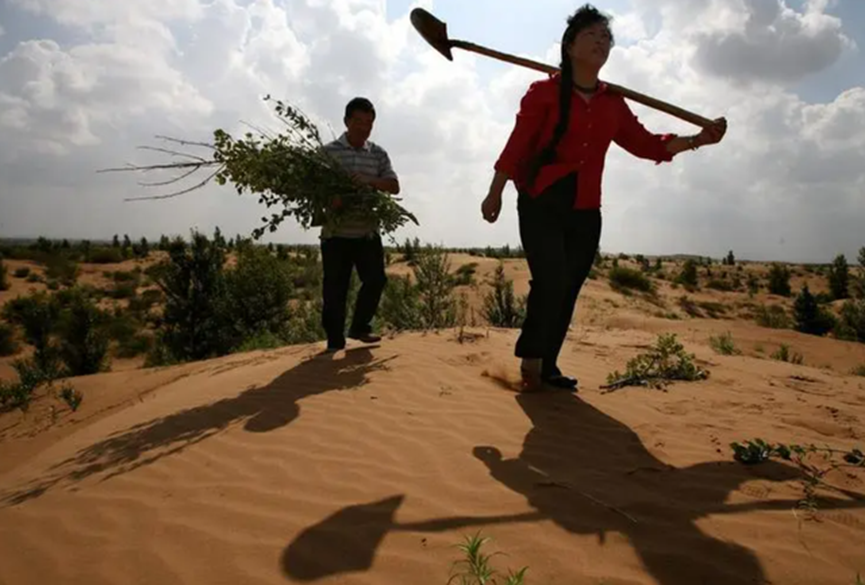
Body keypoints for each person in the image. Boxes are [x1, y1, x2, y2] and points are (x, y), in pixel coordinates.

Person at [480, 4, 726, 391]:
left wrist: (698, 140)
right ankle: (531, 362)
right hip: (541, 198)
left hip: (585, 206)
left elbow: (646, 144)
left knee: (569, 285)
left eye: (606, 37)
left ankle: (549, 365)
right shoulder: (543, 92)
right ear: (570, 44)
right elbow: (516, 146)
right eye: (592, 34)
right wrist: (494, 192)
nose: (601, 41)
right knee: (551, 279)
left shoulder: (613, 103)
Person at [319, 97, 400, 352]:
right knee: (335, 292)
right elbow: (313, 191)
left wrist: (368, 180)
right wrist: (331, 200)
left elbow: (393, 185)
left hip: (367, 232)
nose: (364, 127)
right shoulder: (328, 153)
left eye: (369, 123)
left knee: (376, 280)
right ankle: (334, 342)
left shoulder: (378, 153)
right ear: (346, 121)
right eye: (358, 121)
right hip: (336, 234)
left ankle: (360, 327)